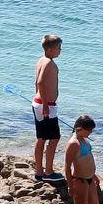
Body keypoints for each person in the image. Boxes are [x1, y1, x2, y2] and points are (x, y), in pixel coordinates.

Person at [64, 115, 102, 204]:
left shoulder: (84, 139)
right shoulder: (73, 143)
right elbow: (67, 166)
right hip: (80, 180)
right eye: (89, 130)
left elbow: (88, 159)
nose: (91, 132)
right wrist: (70, 185)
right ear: (80, 128)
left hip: (90, 179)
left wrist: (94, 175)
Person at [32, 34, 63, 182]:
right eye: (58, 47)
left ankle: (39, 172)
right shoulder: (49, 63)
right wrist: (45, 104)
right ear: (50, 49)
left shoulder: (41, 60)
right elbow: (40, 82)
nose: (60, 50)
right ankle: (49, 172)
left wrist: (39, 100)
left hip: (39, 102)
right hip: (46, 106)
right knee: (55, 138)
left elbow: (36, 84)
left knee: (41, 138)